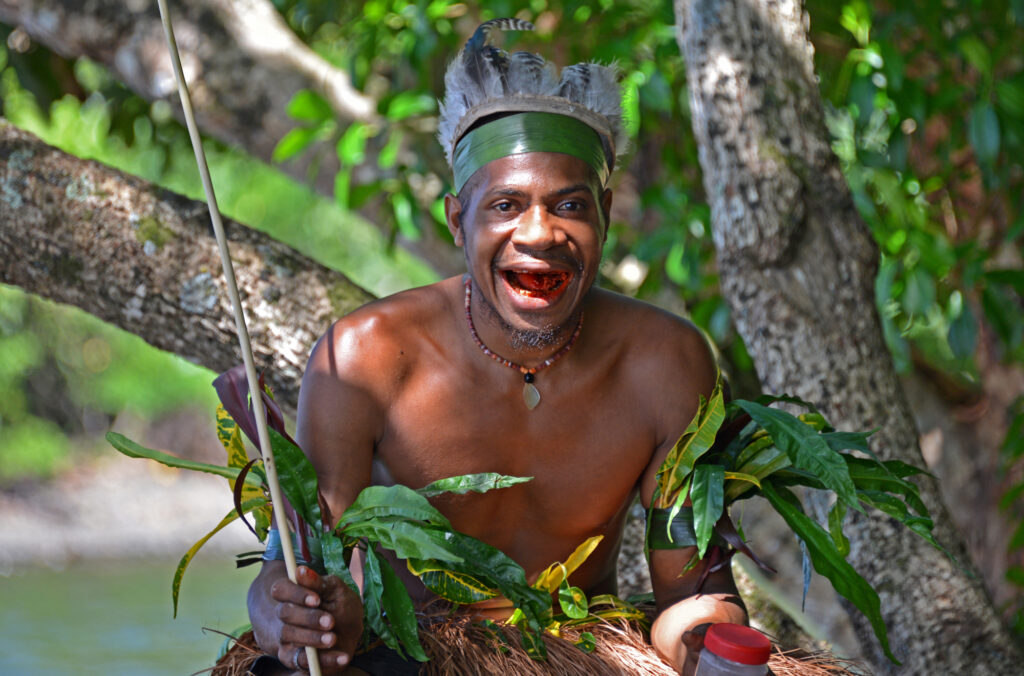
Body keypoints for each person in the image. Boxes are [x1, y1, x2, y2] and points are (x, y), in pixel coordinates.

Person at [246, 18, 747, 676]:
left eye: (570, 206)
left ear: (605, 211)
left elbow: (691, 593)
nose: (539, 234)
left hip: (576, 655)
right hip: (404, 654)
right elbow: (291, 568)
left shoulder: (667, 363)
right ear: (459, 220)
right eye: (506, 205)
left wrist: (715, 648)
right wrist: (290, 611)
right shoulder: (363, 357)